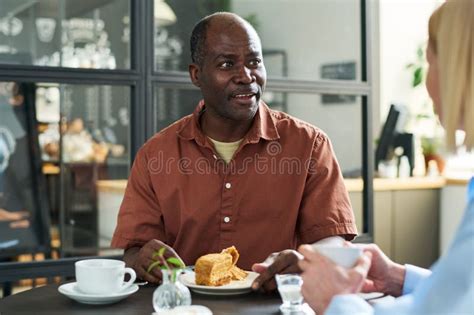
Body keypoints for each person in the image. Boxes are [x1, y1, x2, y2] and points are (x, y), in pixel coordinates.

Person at [111, 12, 357, 286]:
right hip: (187, 307)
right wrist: (141, 259)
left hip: (274, 304)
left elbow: (333, 240)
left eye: (254, 62)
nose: (246, 76)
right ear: (196, 75)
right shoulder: (155, 155)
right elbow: (132, 253)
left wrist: (306, 260)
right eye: (227, 64)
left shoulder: (310, 145)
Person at [297, 1, 474, 314]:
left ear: (457, 67)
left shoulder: (312, 144)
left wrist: (335, 301)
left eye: (429, 60)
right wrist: (399, 277)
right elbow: (457, 297)